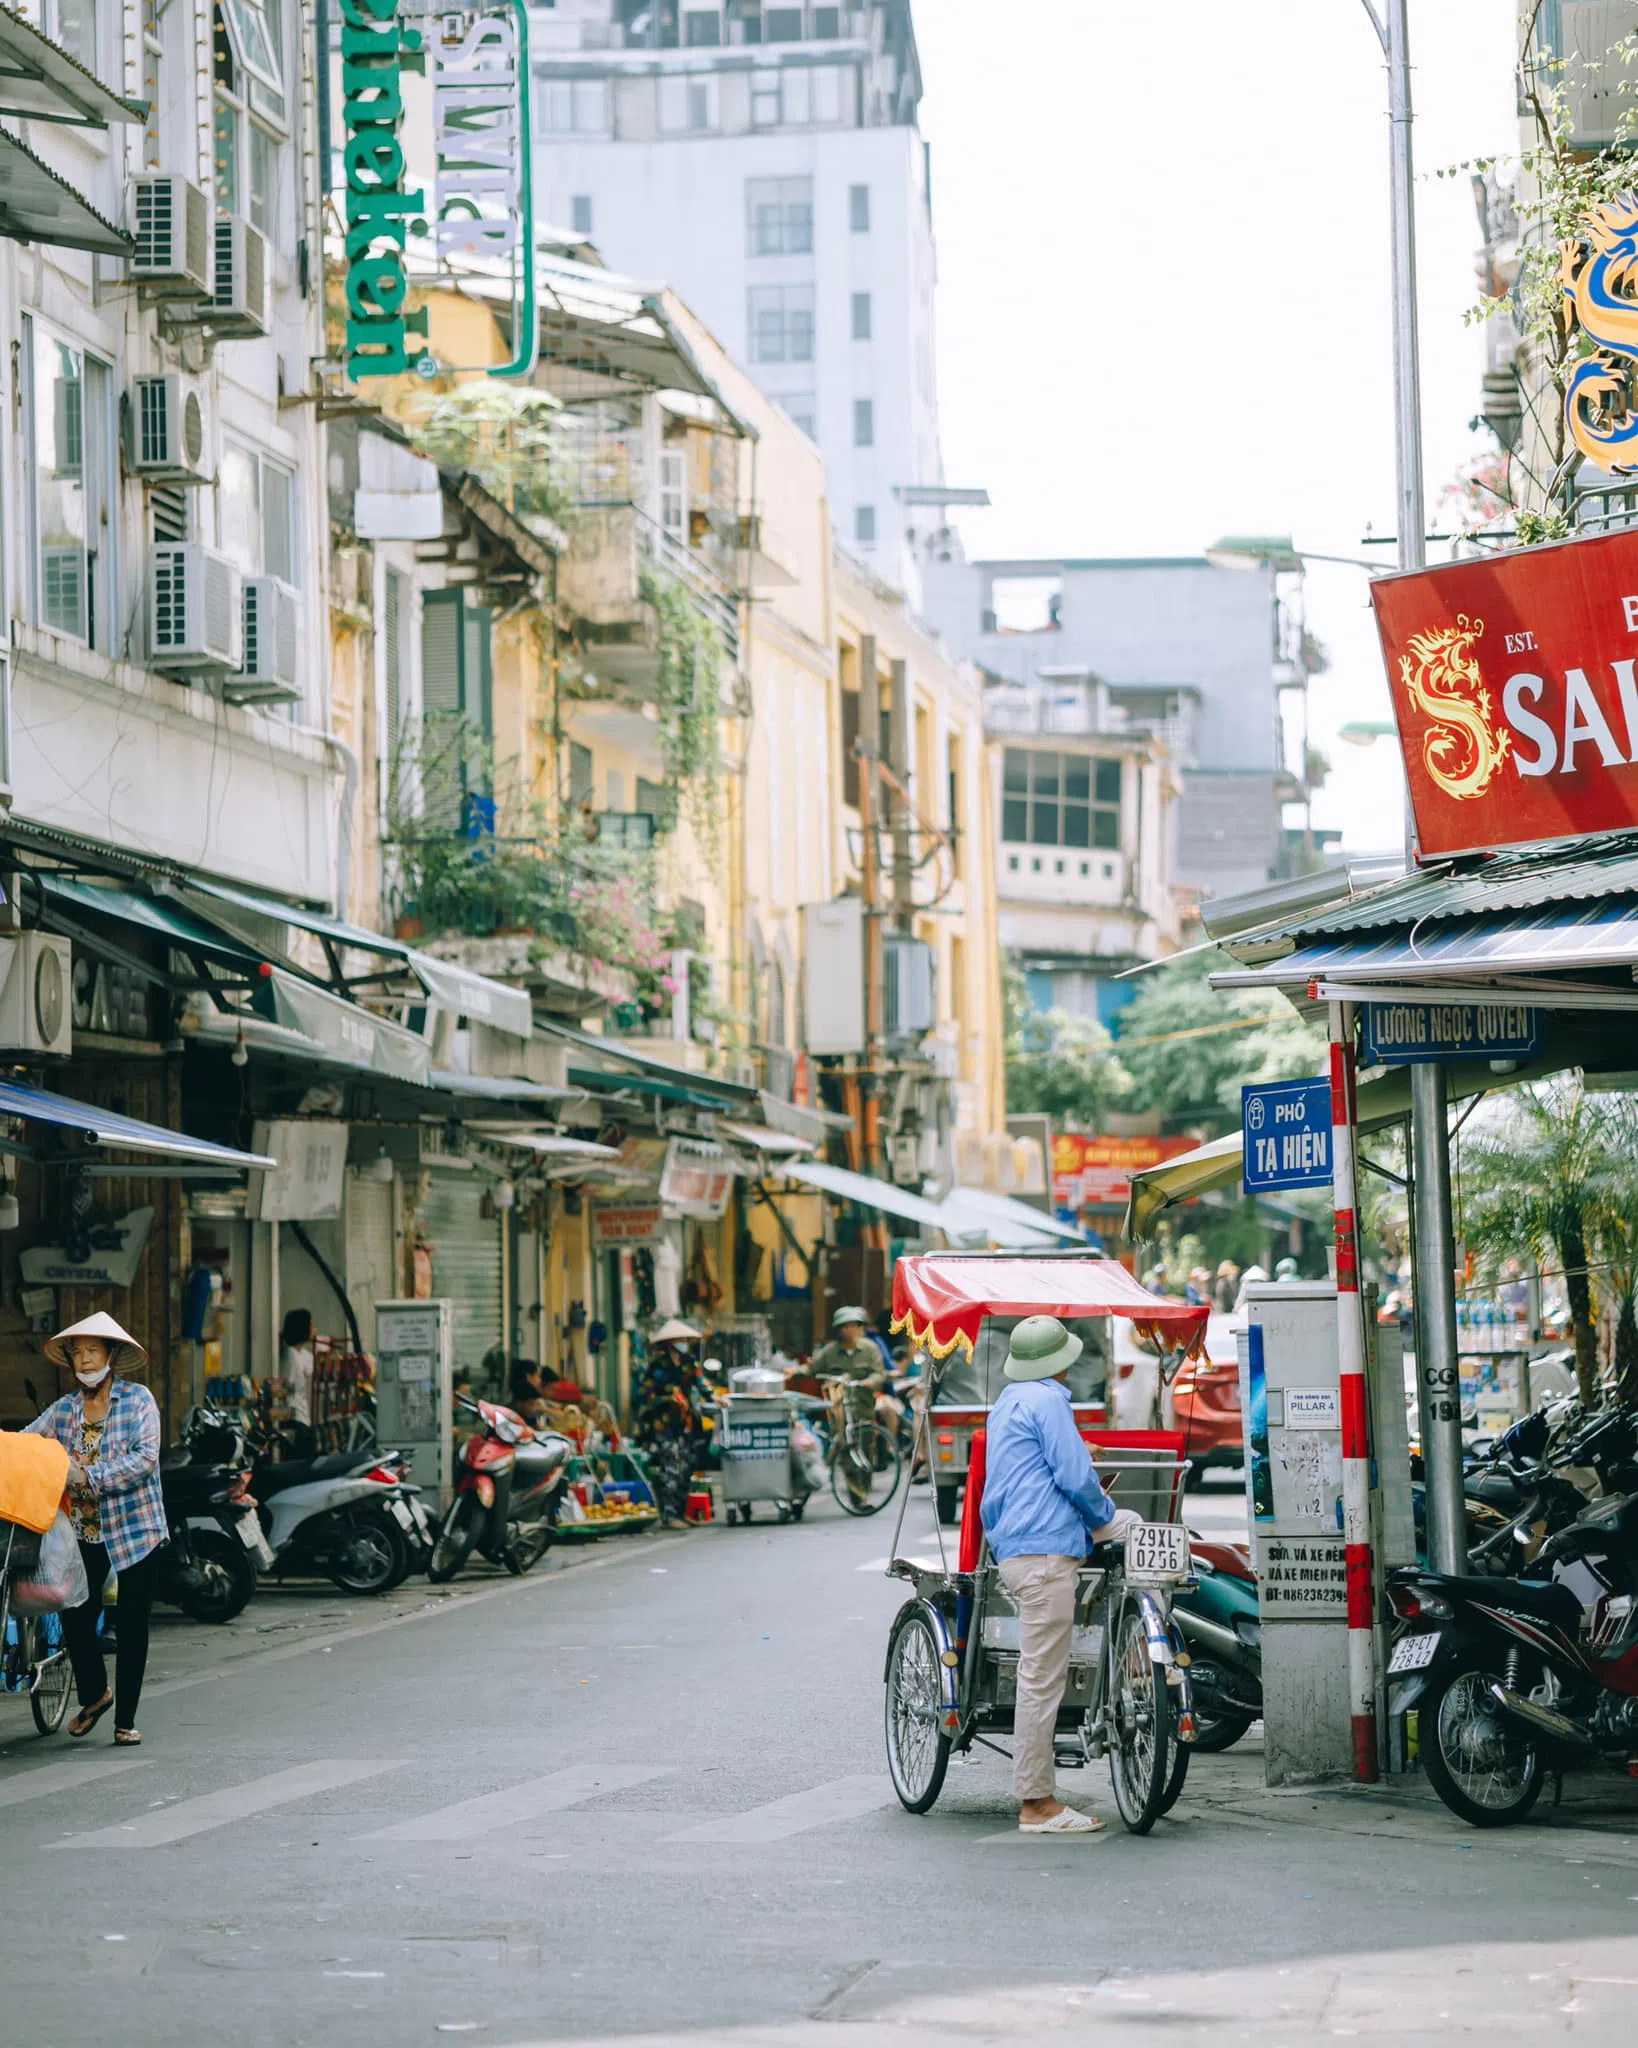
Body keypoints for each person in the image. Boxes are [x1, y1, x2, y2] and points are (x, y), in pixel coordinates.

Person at [980, 1314, 1139, 1835]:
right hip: (1045, 1551)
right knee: (1042, 1679)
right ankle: (1037, 1802)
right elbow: (1074, 1479)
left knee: (1131, 1526)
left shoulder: (1010, 1403)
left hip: (1016, 1543)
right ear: (1063, 1362)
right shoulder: (1050, 1402)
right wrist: (1102, 1512)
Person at [24, 1311, 165, 1747]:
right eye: (78, 1352)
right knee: (74, 1613)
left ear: (112, 1356)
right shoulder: (64, 1410)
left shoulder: (138, 1400)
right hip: (84, 1530)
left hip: (136, 1529)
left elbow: (145, 1458)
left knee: (131, 1623)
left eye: (93, 1351)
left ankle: (126, 1720)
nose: (84, 1361)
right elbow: (30, 1440)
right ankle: (95, 1694)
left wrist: (88, 1476)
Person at [634, 1318, 706, 1525]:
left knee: (686, 1468)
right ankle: (669, 1515)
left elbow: (701, 1385)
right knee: (670, 1468)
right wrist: (665, 1399)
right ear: (670, 1342)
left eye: (685, 1339)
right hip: (664, 1424)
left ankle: (681, 1511)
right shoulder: (657, 1367)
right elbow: (645, 1396)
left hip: (686, 1423)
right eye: (680, 1339)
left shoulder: (690, 1363)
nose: (683, 1342)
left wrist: (715, 1398)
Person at [811, 1306, 887, 1506]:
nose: (850, 1330)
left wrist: (871, 1381)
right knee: (847, 1451)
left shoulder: (870, 1349)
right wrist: (794, 1370)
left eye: (853, 1326)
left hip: (863, 1408)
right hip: (840, 1410)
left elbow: (880, 1373)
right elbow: (812, 1368)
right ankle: (858, 1497)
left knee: (865, 1450)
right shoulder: (829, 1352)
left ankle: (864, 1489)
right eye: (845, 1326)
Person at [280, 1307, 316, 1457]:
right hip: (294, 1416)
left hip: (303, 1416)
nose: (314, 1329)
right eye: (311, 1326)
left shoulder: (304, 1355)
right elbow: (287, 1387)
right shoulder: (289, 1356)